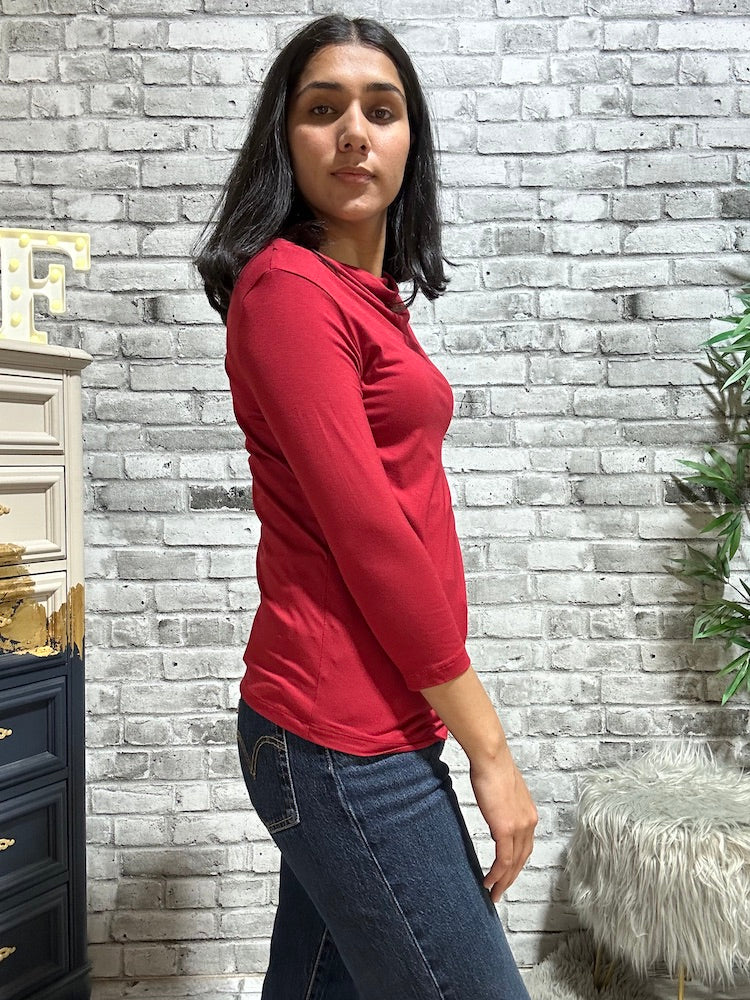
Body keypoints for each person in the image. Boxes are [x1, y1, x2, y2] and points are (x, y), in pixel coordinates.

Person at [192, 13, 538, 999]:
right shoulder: (289, 292)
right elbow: (372, 539)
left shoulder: (362, 297)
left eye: (381, 111)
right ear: (285, 138)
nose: (354, 132)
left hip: (372, 720)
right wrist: (492, 752)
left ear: (409, 142)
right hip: (336, 735)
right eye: (323, 109)